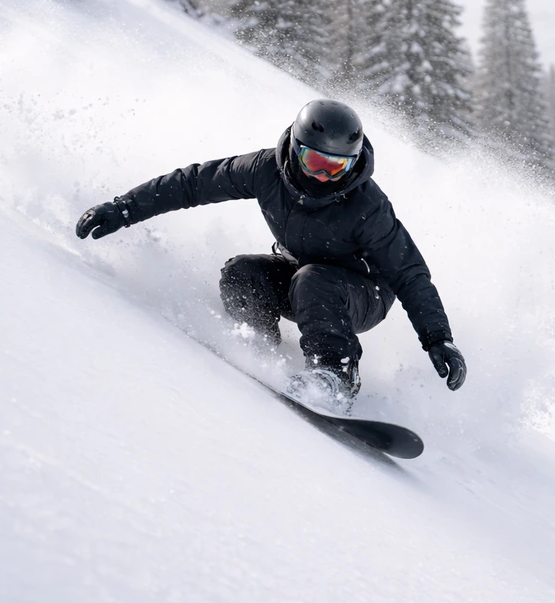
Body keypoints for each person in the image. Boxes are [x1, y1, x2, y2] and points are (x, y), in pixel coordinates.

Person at [76, 99, 466, 408]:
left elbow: (409, 273)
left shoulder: (367, 206)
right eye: (315, 162)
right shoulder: (265, 169)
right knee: (241, 274)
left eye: (337, 168)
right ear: (297, 150)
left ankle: (336, 378)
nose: (323, 176)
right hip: (303, 277)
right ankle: (261, 347)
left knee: (313, 280)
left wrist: (437, 338)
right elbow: (194, 184)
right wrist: (124, 208)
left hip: (364, 295)